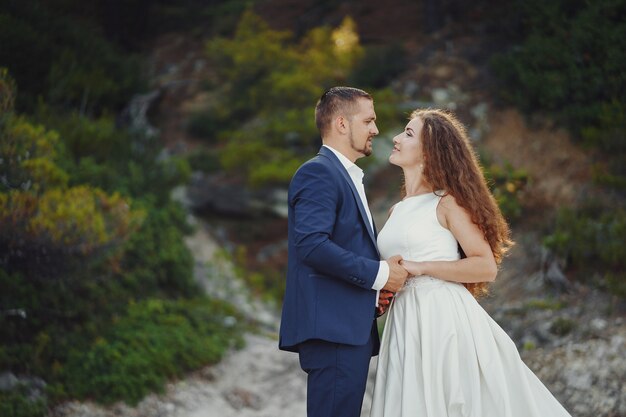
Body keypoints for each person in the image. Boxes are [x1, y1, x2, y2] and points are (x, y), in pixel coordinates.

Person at [370, 108, 572, 416]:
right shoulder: (396, 211)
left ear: (430, 149)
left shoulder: (447, 202)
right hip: (405, 320)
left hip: (443, 319)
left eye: (408, 133)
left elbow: (485, 266)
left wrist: (420, 267)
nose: (396, 138)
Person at [279, 86, 409, 417]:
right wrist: (380, 275)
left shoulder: (345, 176)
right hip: (333, 330)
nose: (376, 130)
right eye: (369, 121)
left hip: (346, 329)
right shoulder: (319, 172)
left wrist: (372, 294)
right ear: (341, 123)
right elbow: (312, 245)